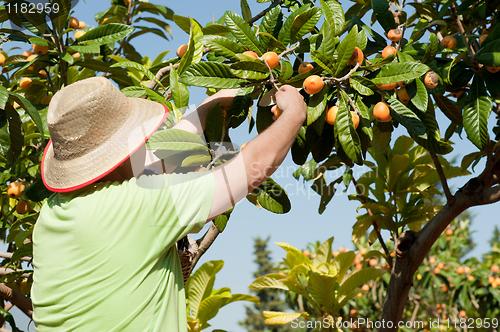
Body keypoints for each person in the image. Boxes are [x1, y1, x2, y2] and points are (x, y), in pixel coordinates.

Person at [32, 77, 306, 331]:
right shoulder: (140, 205)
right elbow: (245, 172)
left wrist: (208, 106)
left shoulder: (51, 214)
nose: (145, 144)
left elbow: (154, 161)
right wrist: (294, 114)